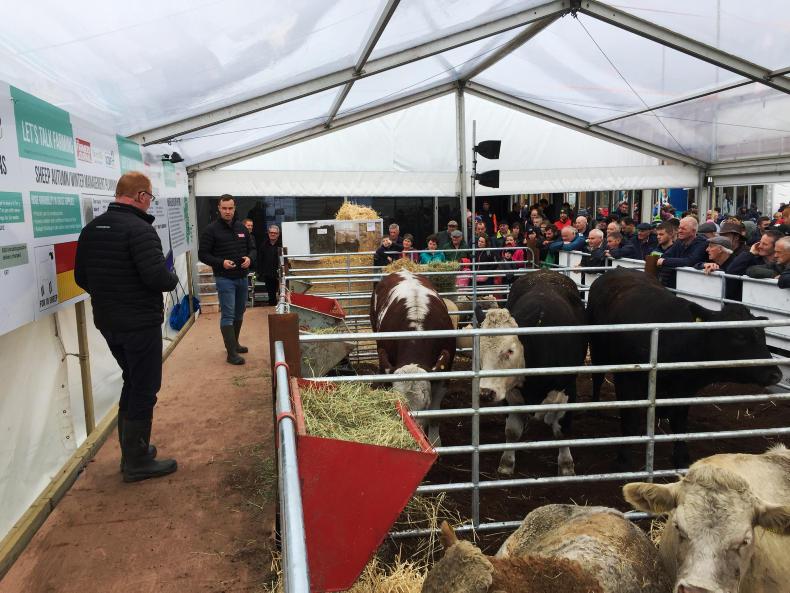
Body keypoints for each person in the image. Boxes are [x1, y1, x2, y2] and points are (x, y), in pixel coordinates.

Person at [74, 171, 178, 482]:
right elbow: (158, 278)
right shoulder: (140, 230)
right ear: (141, 196)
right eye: (150, 197)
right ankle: (136, 461)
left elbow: (81, 277)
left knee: (131, 381)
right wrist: (171, 276)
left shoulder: (91, 230)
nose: (150, 203)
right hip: (140, 323)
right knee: (144, 387)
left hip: (108, 322)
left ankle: (133, 453)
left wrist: (111, 297)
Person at [199, 194, 257, 365]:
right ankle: (231, 354)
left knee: (240, 311)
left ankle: (235, 344)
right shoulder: (211, 230)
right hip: (225, 278)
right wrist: (221, 263)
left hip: (242, 277)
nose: (227, 211)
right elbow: (203, 254)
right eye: (224, 208)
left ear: (234, 208)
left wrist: (250, 258)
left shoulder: (241, 228)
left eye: (230, 208)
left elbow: (253, 248)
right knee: (228, 314)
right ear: (219, 208)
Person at [656, 216, 707, 288]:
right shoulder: (679, 242)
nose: (679, 231)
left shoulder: (702, 243)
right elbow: (665, 256)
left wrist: (665, 262)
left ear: (693, 231)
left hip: (694, 286)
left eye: (683, 229)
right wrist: (669, 261)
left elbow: (691, 261)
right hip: (676, 284)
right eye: (679, 228)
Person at [257, 224, 282, 307]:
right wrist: (260, 273)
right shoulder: (263, 245)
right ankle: (272, 310)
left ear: (278, 234)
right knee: (271, 295)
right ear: (268, 233)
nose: (273, 234)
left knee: (282, 294)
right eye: (271, 232)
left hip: (280, 274)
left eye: (275, 233)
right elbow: (260, 260)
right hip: (268, 274)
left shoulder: (282, 245)